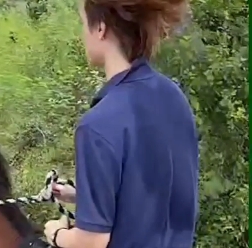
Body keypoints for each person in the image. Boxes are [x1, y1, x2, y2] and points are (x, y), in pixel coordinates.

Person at [43, 0, 199, 248]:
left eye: (83, 23)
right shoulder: (173, 97)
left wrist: (55, 233)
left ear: (101, 28)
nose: (83, 33)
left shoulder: (97, 125)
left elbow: (91, 242)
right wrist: (80, 196)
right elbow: (153, 194)